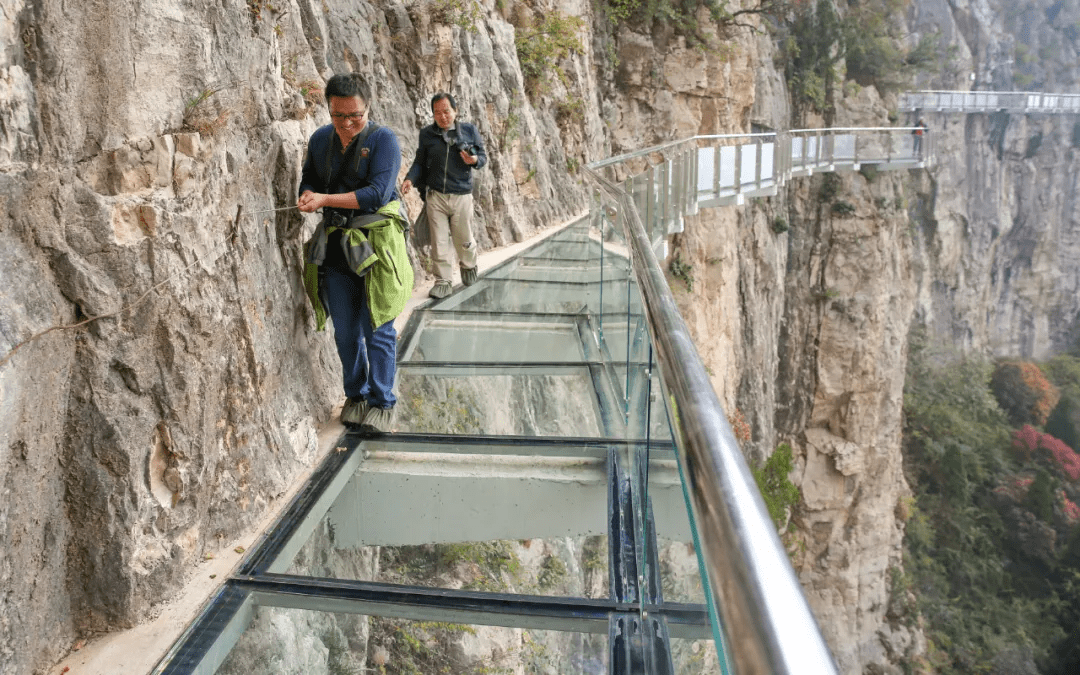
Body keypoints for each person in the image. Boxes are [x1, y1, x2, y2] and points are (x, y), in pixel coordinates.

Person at [298, 73, 413, 431]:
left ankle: (382, 400)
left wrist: (325, 199)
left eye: (355, 116)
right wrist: (306, 195)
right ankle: (356, 394)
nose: (347, 124)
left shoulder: (383, 141)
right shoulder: (320, 140)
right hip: (336, 244)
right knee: (345, 330)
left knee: (376, 324)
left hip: (375, 243)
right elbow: (309, 179)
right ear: (328, 109)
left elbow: (378, 193)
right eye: (338, 116)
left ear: (368, 108)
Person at [401, 92, 488, 299]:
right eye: (437, 112)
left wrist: (473, 160)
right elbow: (420, 162)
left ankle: (468, 265)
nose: (442, 116)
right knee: (439, 242)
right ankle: (443, 280)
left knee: (464, 238)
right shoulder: (427, 134)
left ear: (455, 111)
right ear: (432, 114)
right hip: (436, 196)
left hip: (461, 195)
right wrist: (409, 179)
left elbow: (483, 157)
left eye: (446, 111)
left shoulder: (468, 130)